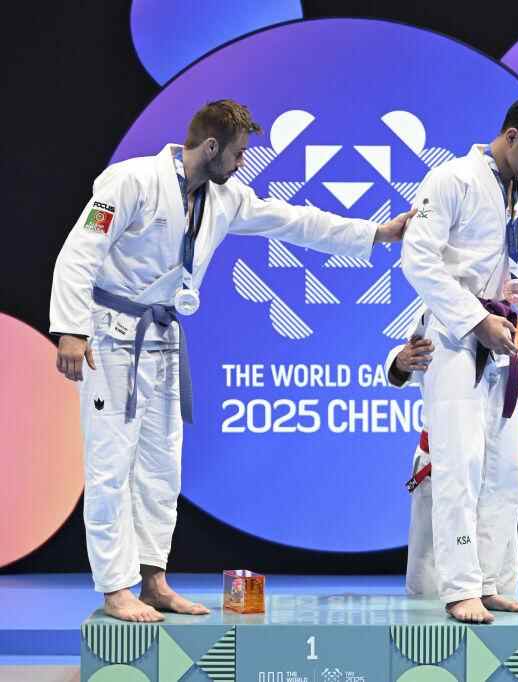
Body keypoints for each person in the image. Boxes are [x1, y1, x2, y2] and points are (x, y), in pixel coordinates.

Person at [50, 99, 413, 623]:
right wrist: (70, 329)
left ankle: (153, 580)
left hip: (163, 338)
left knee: (162, 467)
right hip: (111, 339)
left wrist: (376, 233)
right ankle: (114, 588)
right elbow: (79, 252)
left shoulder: (225, 198)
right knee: (110, 466)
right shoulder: (130, 181)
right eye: (239, 153)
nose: (243, 163)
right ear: (211, 146)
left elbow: (294, 221)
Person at [400, 94, 518, 623]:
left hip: (504, 340)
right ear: (511, 136)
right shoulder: (451, 180)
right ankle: (461, 588)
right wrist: (476, 320)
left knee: (504, 470)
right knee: (460, 464)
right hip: (454, 340)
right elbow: (418, 260)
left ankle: (490, 580)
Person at [385, 326, 518, 600]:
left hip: (497, 461)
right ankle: (433, 617)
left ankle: (494, 610)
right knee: (431, 580)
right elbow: (410, 353)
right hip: (443, 459)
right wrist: (400, 362)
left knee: (496, 556)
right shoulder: (444, 313)